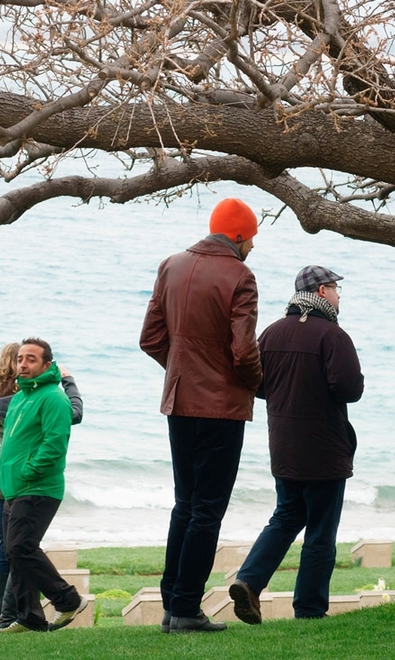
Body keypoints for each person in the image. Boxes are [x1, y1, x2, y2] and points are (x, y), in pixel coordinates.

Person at [139, 197, 263, 634]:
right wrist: (254, 384)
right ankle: (187, 608)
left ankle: (173, 603)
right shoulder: (240, 275)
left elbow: (151, 339)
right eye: (251, 239)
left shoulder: (170, 265)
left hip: (180, 401)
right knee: (207, 510)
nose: (252, 247)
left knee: (185, 505)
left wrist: (182, 371)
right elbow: (244, 350)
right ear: (239, 235)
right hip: (221, 408)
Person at [228, 265, 364, 623]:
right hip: (326, 451)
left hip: (285, 447)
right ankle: (309, 609)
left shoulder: (271, 334)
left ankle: (249, 581)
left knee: (286, 517)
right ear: (321, 292)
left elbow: (256, 384)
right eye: (335, 288)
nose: (338, 295)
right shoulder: (333, 336)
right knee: (320, 530)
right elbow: (351, 389)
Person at [0, 341, 83, 630]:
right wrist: (9, 478)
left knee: (20, 547)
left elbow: (54, 445)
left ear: (46, 365)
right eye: (20, 359)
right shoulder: (19, 398)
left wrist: (29, 471)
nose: (23, 365)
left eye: (31, 359)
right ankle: (28, 617)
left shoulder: (53, 398)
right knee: (18, 552)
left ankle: (67, 600)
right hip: (13, 488)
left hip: (39, 487)